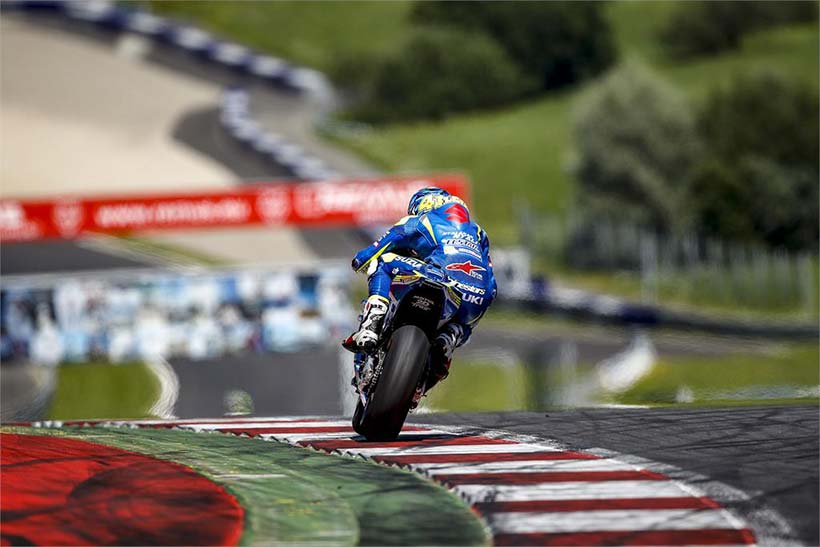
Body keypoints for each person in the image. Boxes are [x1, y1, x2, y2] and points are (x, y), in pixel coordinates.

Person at [342, 187, 497, 394]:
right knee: (461, 326)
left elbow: (368, 255)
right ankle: (448, 339)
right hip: (478, 295)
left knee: (383, 261)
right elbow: (491, 283)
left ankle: (373, 322)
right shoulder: (478, 233)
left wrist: (360, 261)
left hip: (439, 274)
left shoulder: (421, 220)